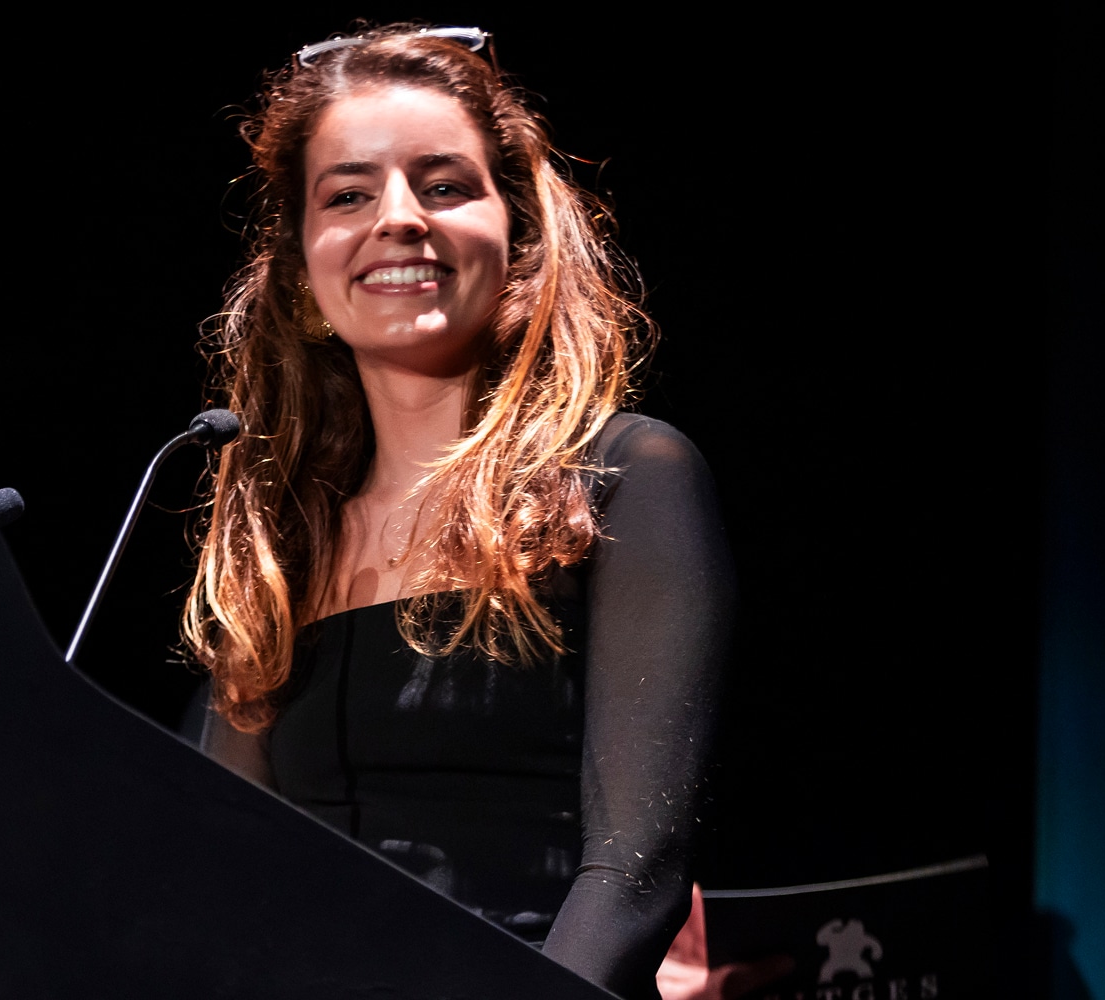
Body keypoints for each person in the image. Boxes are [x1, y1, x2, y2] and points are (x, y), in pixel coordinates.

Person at [184, 25, 735, 1000]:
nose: (398, 218)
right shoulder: (280, 533)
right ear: (302, 264)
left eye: (443, 186)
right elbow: (223, 863)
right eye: (347, 195)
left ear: (515, 235)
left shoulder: (623, 477)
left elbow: (632, 873)